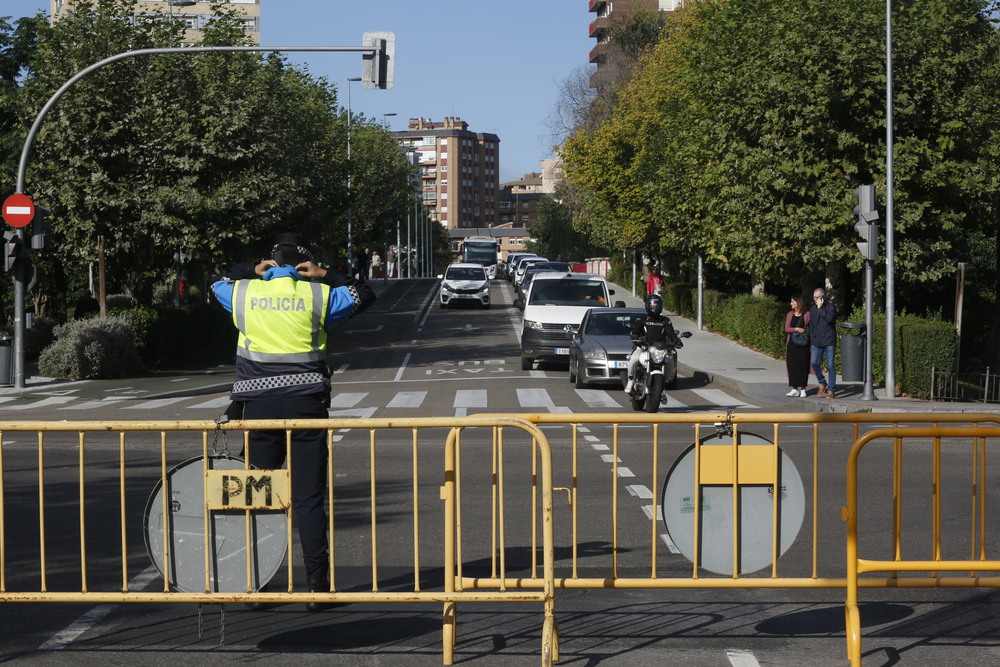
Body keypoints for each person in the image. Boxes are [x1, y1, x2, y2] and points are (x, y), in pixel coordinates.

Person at [210, 232, 377, 611]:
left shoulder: (243, 293)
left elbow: (213, 282)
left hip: (258, 409)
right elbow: (363, 293)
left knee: (256, 496)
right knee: (308, 498)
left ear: (271, 262)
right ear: (304, 265)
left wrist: (248, 270)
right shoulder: (317, 295)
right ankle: (318, 587)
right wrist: (327, 273)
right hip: (307, 409)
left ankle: (255, 584)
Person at [625, 293, 680, 393]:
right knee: (633, 359)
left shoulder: (665, 320)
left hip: (660, 350)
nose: (655, 308)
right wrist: (635, 335)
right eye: (653, 305)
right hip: (644, 348)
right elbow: (636, 330)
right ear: (647, 306)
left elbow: (671, 333)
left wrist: (676, 340)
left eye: (657, 305)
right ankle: (630, 379)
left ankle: (665, 382)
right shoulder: (642, 319)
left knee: (670, 362)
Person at [809, 287, 838, 398]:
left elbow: (831, 319)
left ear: (822, 297)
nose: (815, 300)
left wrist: (821, 309)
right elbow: (812, 324)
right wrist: (812, 337)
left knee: (830, 365)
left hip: (829, 341)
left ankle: (831, 390)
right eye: (814, 298)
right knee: (814, 363)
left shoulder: (831, 307)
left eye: (817, 298)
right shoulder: (813, 309)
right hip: (817, 341)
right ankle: (822, 381)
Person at [784, 294, 811, 397]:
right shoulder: (790, 314)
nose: (791, 304)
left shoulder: (807, 314)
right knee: (792, 365)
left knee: (803, 365)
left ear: (798, 303)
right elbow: (787, 328)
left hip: (804, 344)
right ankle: (794, 388)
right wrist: (797, 329)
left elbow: (810, 328)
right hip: (792, 343)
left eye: (792, 302)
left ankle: (803, 388)